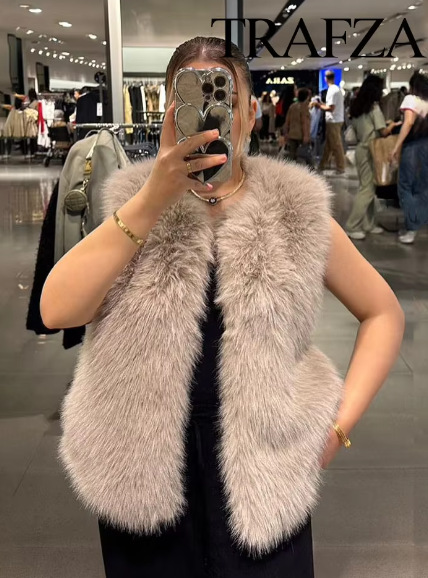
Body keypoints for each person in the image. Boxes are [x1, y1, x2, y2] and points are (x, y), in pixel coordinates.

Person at [40, 36, 405, 578]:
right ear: (167, 114)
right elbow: (56, 310)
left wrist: (337, 429)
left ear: (250, 113)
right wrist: (152, 199)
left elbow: (383, 313)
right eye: (188, 99)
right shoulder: (130, 206)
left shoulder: (294, 210)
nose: (210, 115)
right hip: (138, 469)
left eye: (224, 99)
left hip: (267, 470)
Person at [345, 75, 401, 240]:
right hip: (372, 150)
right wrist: (393, 124)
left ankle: (368, 224)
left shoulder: (357, 107)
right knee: (367, 190)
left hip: (361, 149)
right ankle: (352, 225)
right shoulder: (374, 108)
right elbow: (383, 131)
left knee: (367, 186)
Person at [390, 72, 428, 244]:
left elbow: (409, 122)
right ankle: (414, 224)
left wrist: (396, 147)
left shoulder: (410, 99)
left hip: (413, 147)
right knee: (422, 187)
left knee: (405, 187)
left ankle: (411, 228)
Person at [316, 70, 346, 174]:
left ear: (325, 79)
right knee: (329, 145)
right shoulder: (336, 89)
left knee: (336, 145)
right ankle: (322, 165)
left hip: (334, 121)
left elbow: (331, 108)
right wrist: (322, 104)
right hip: (335, 120)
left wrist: (319, 106)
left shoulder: (332, 90)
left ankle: (341, 167)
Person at [283, 87, 311, 161]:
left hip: (292, 134)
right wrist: (306, 136)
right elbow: (304, 122)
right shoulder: (304, 108)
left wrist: (286, 133)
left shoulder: (292, 106)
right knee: (306, 156)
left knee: (292, 155)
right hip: (301, 135)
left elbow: (287, 121)